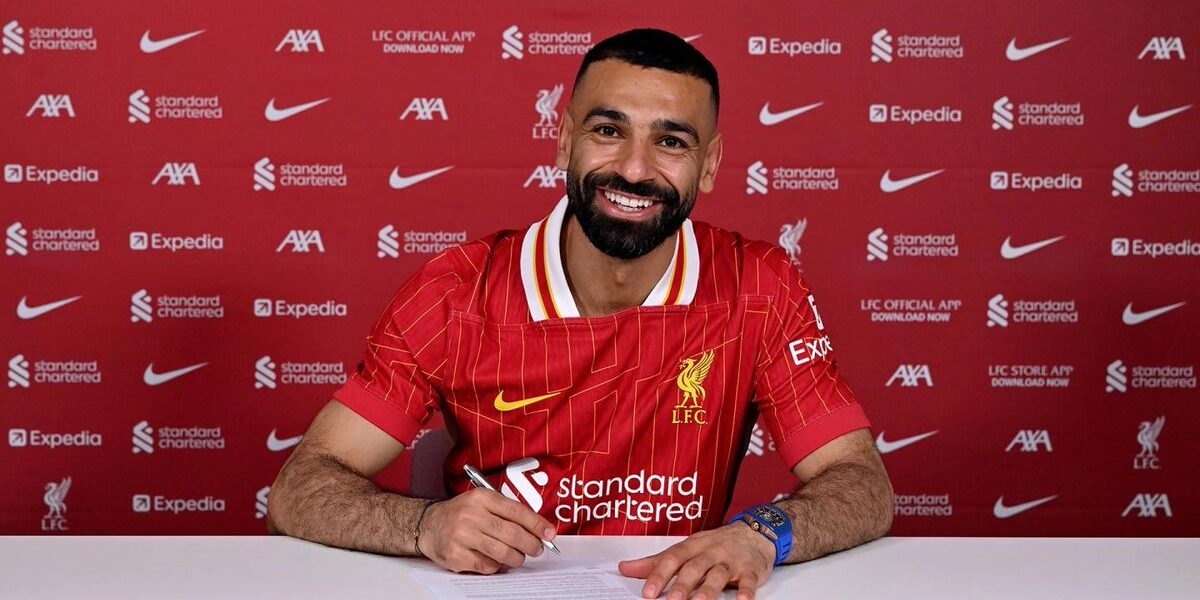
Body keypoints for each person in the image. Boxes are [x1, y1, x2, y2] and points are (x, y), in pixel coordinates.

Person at [268, 28, 893, 600]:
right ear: (565, 138)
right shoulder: (454, 292)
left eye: (671, 141)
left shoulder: (759, 286)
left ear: (710, 164)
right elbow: (299, 489)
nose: (634, 169)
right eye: (608, 130)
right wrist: (424, 525)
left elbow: (861, 483)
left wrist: (762, 535)